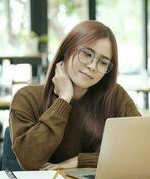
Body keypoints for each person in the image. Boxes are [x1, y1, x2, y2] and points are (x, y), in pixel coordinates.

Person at [9, 20, 141, 170]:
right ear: (66, 51)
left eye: (103, 62)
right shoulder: (27, 98)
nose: (92, 66)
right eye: (86, 54)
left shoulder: (115, 96)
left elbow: (138, 148)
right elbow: (29, 160)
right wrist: (64, 99)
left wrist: (79, 161)